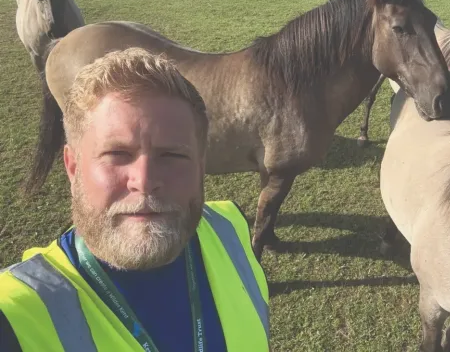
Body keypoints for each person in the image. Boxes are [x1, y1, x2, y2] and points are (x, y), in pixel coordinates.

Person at [0, 47, 270, 351]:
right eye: (117, 154)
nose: (144, 181)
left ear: (201, 164)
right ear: (72, 167)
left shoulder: (231, 228)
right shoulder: (13, 313)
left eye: (172, 155)